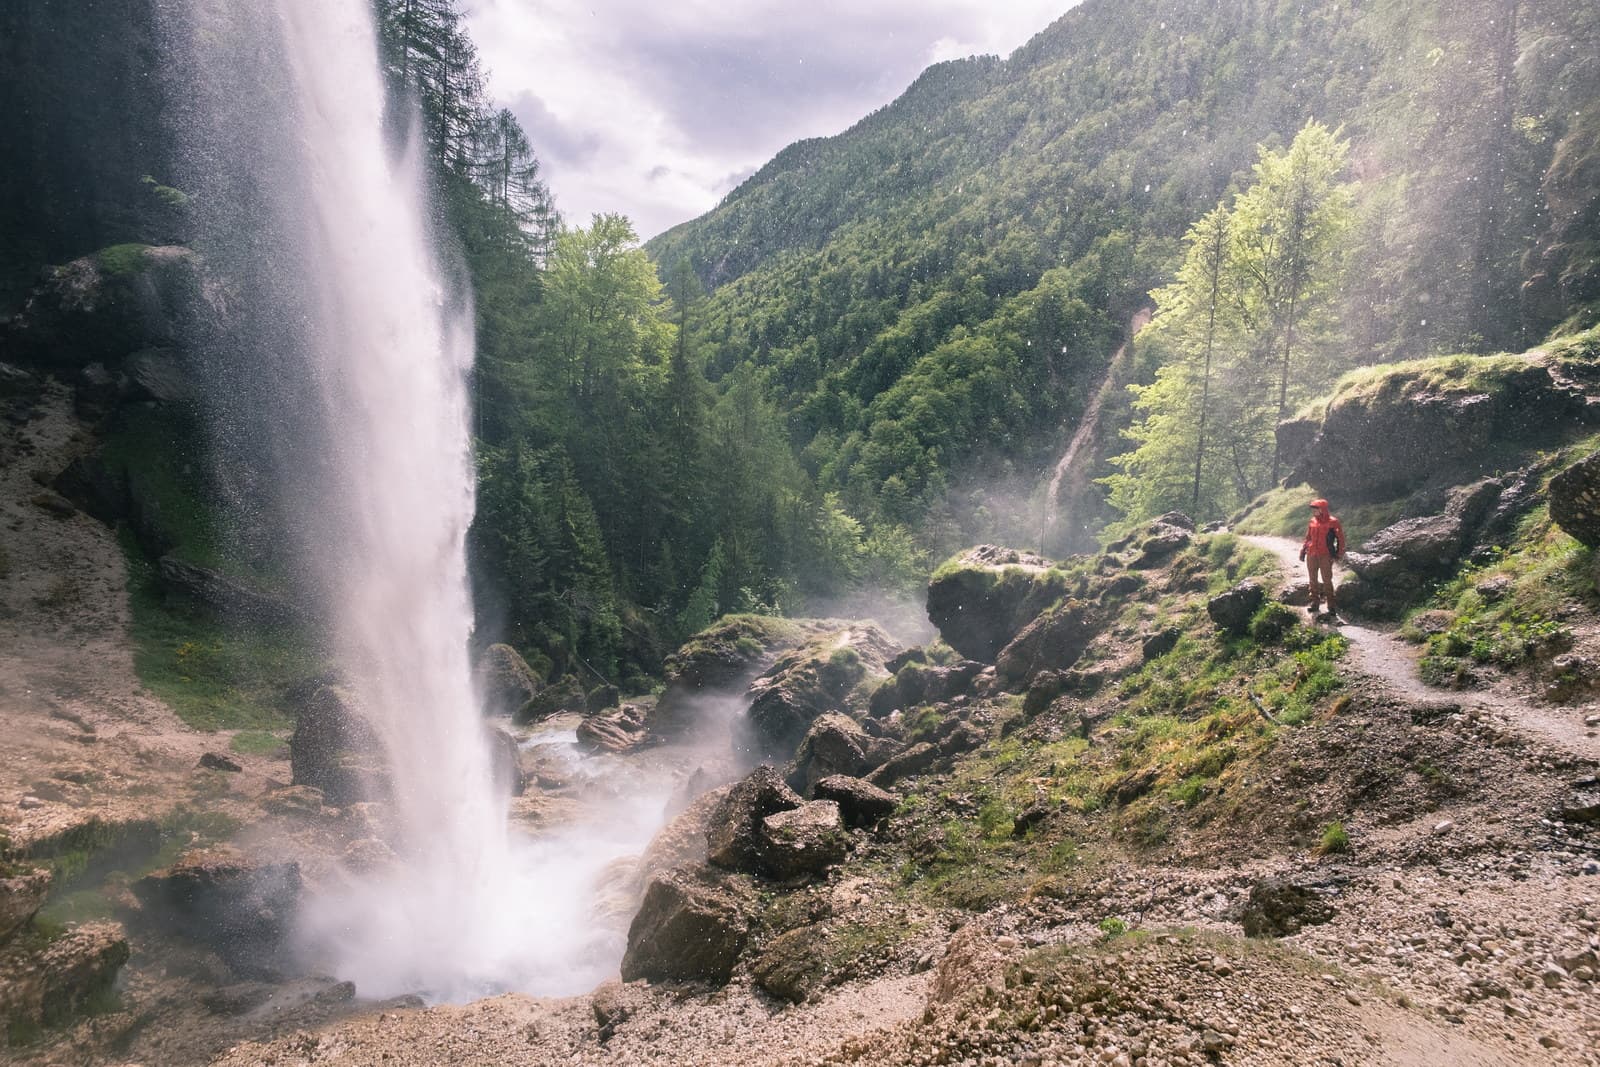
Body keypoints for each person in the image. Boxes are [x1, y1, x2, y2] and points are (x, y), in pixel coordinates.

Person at [1298, 498, 1345, 618]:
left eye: (1316, 509)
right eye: (1312, 509)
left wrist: (1338, 554)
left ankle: (1331, 606)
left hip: (1326, 555)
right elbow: (1308, 538)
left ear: (1322, 509)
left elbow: (1341, 539)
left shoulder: (1333, 522)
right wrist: (1303, 550)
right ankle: (1315, 603)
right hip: (1312, 554)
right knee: (1312, 579)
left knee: (1327, 580)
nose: (1313, 511)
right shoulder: (1312, 521)